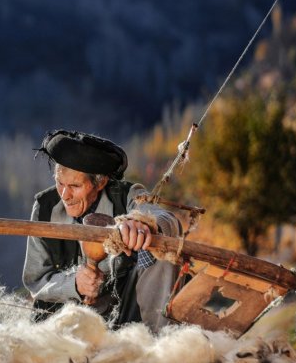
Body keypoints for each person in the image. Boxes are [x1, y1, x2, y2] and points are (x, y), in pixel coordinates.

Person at [22, 130, 182, 333]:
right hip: (63, 324)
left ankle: (155, 341)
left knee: (161, 249)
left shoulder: (126, 196)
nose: (65, 194)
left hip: (125, 318)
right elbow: (35, 281)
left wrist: (142, 222)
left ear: (100, 182)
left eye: (75, 185)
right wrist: (74, 284)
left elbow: (166, 219)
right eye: (59, 183)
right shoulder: (44, 207)